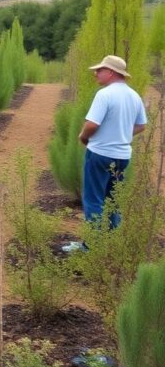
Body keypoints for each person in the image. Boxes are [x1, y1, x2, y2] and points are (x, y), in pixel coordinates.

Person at [62, 55, 147, 252]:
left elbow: (92, 124)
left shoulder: (105, 94)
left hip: (100, 154)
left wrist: (83, 138)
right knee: (113, 199)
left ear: (111, 72)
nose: (96, 73)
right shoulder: (134, 96)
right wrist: (122, 134)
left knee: (94, 199)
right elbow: (141, 125)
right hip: (123, 156)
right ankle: (112, 244)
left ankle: (91, 246)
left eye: (99, 70)